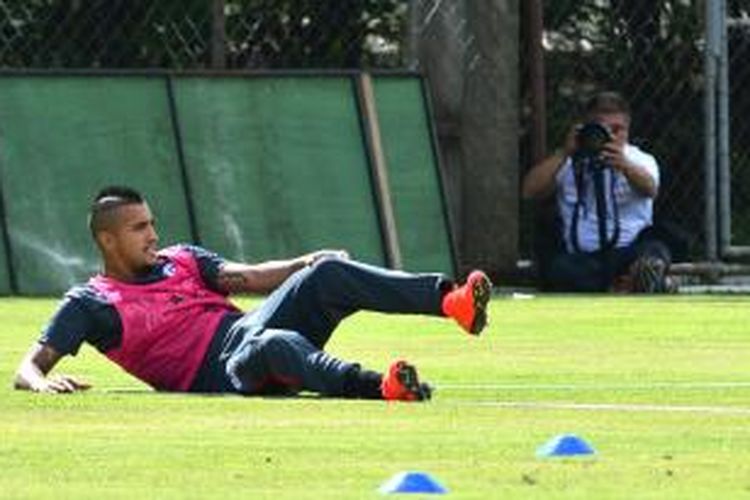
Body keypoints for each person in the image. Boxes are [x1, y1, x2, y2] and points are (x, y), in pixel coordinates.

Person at [13, 186, 492, 401]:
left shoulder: (180, 259)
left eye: (152, 224)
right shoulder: (90, 302)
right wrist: (41, 383)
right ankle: (381, 387)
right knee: (272, 346)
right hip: (220, 372)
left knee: (327, 273)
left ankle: (451, 302)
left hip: (248, 326)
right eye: (140, 228)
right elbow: (28, 367)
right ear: (108, 240)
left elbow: (251, 277)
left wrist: (306, 262)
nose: (153, 235)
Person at [522, 91, 673, 293]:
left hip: (629, 252)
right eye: (602, 130)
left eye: (617, 130)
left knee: (655, 250)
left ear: (628, 131)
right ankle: (628, 286)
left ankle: (637, 278)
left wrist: (624, 165)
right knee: (560, 270)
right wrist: (566, 152)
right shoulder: (567, 163)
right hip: (582, 258)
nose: (610, 136)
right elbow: (530, 191)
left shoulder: (640, 160)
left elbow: (650, 189)